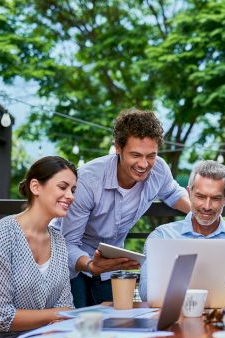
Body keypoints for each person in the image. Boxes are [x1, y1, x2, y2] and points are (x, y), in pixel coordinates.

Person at [53, 108, 191, 307]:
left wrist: (199, 212)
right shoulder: (87, 181)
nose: (144, 164)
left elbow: (172, 192)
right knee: (78, 319)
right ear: (117, 148)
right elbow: (68, 243)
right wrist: (91, 266)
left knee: (115, 318)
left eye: (150, 155)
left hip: (111, 261)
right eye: (135, 155)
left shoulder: (159, 169)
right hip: (73, 262)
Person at [0, 156, 77, 338]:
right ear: (36, 187)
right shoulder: (0, 234)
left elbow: (67, 306)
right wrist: (55, 315)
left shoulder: (59, 241)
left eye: (73, 190)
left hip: (37, 335)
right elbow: (1, 318)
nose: (70, 196)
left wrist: (59, 317)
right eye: (62, 187)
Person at [139, 160, 225, 302]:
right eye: (200, 196)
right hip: (177, 317)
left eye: (215, 198)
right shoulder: (161, 237)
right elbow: (147, 291)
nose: (207, 206)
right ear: (189, 193)